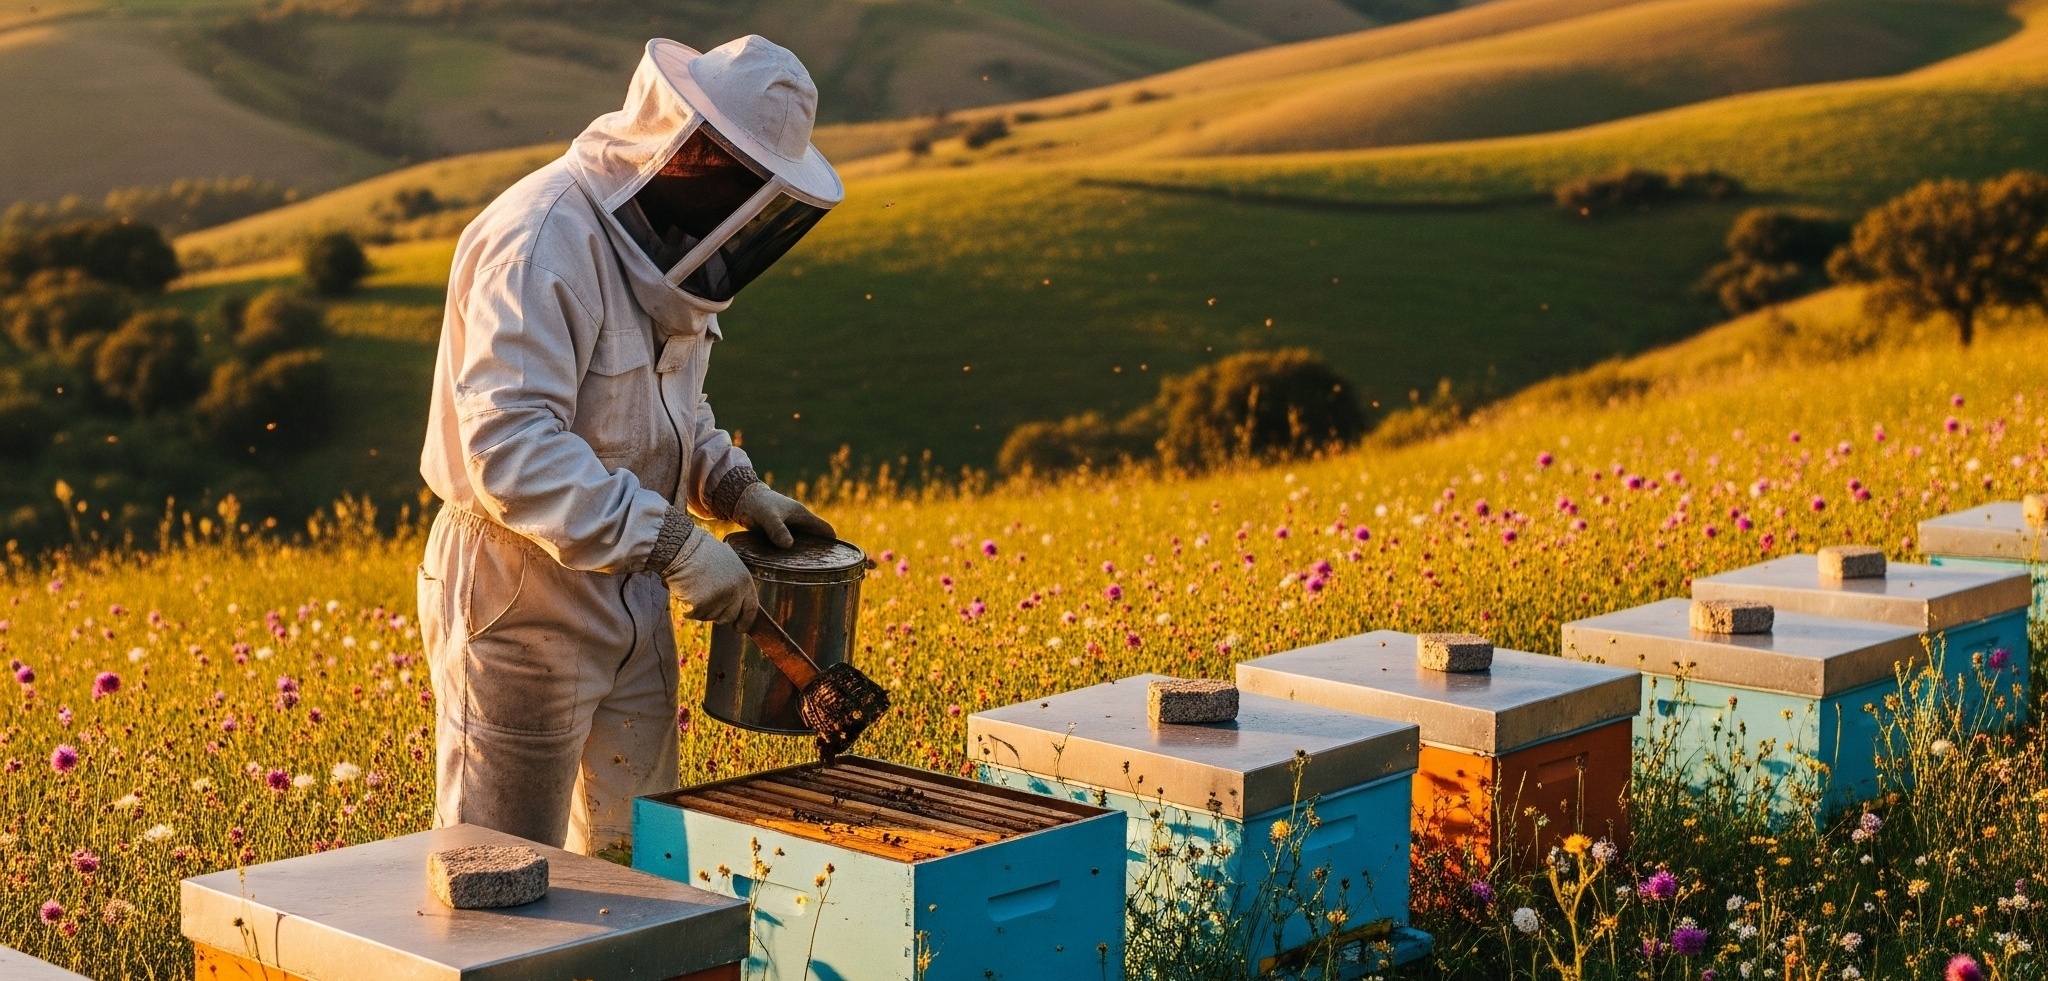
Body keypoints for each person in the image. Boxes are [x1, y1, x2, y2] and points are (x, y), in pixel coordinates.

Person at [418, 35, 841, 859]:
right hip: (520, 591)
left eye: (757, 192)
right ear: (685, 144)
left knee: (636, 860)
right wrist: (675, 540)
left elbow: (661, 401)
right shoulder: (542, 241)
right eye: (735, 177)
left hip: (635, 585)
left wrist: (729, 484)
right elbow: (511, 450)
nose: (739, 207)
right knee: (497, 870)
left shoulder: (674, 255)